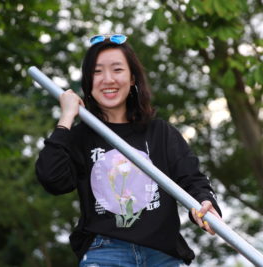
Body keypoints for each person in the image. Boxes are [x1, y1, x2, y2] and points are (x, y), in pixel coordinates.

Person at [35, 34, 222, 266]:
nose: (107, 79)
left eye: (117, 70)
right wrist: (66, 117)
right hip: (105, 252)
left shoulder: (159, 132)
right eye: (97, 72)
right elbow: (53, 179)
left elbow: (193, 179)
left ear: (132, 78)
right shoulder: (80, 137)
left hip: (162, 253)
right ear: (87, 81)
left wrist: (205, 203)